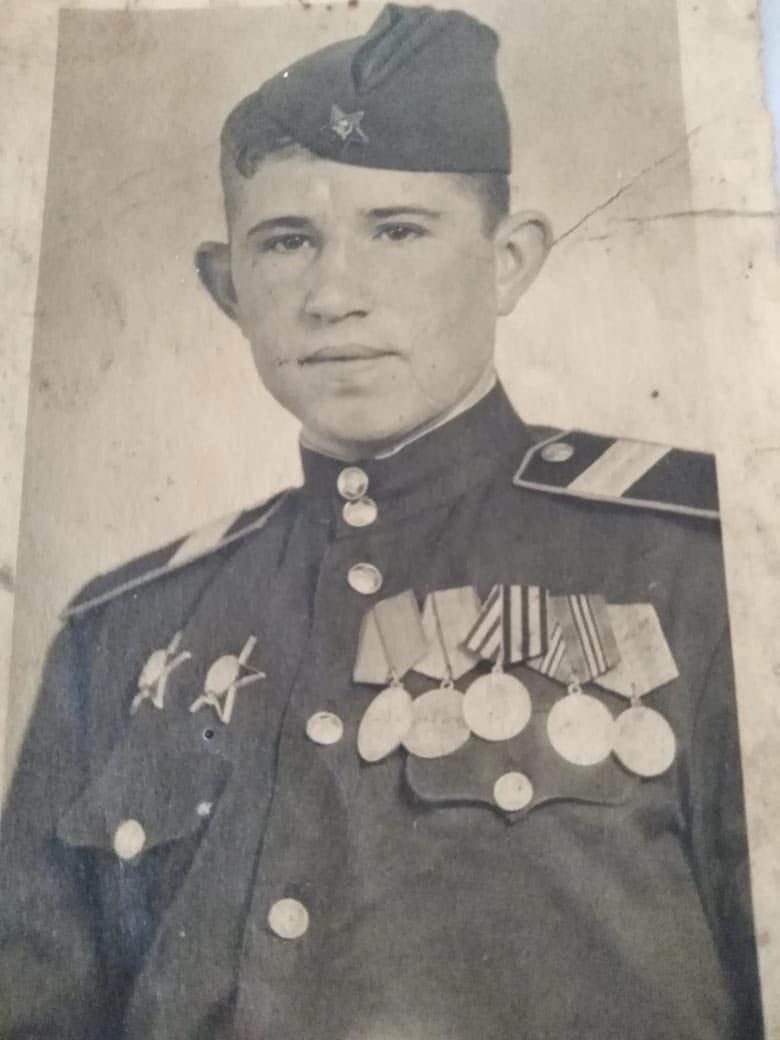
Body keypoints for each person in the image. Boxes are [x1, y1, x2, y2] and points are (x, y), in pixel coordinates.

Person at [0, 5, 764, 1038]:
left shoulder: (708, 563)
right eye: (287, 241)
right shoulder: (121, 631)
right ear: (228, 289)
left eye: (398, 230)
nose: (335, 295)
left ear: (510, 260)